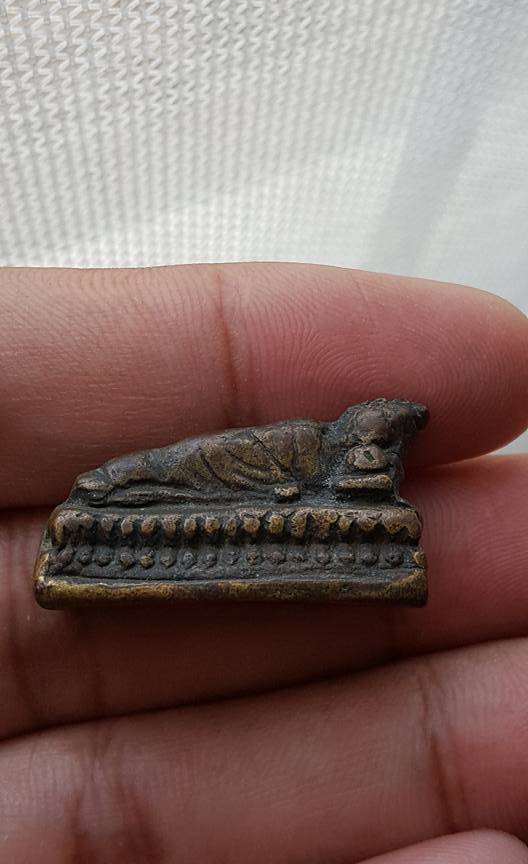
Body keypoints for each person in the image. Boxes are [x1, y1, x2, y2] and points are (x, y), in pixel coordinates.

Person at [1, 262, 528, 864]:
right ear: (348, 429)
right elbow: (247, 465)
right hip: (235, 469)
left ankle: (116, 488)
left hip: (275, 499)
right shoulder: (301, 440)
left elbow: (364, 490)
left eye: (385, 444)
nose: (374, 451)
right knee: (170, 469)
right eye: (369, 437)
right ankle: (114, 481)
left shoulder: (362, 468)